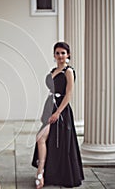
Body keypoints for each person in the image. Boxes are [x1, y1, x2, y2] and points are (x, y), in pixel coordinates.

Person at [31, 42, 84, 188]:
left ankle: (41, 174)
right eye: (57, 53)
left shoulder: (69, 71)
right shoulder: (53, 70)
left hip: (61, 111)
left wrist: (57, 112)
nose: (60, 56)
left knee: (41, 138)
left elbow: (68, 94)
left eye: (63, 53)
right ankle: (42, 172)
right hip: (50, 106)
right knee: (43, 139)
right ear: (54, 55)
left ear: (68, 55)